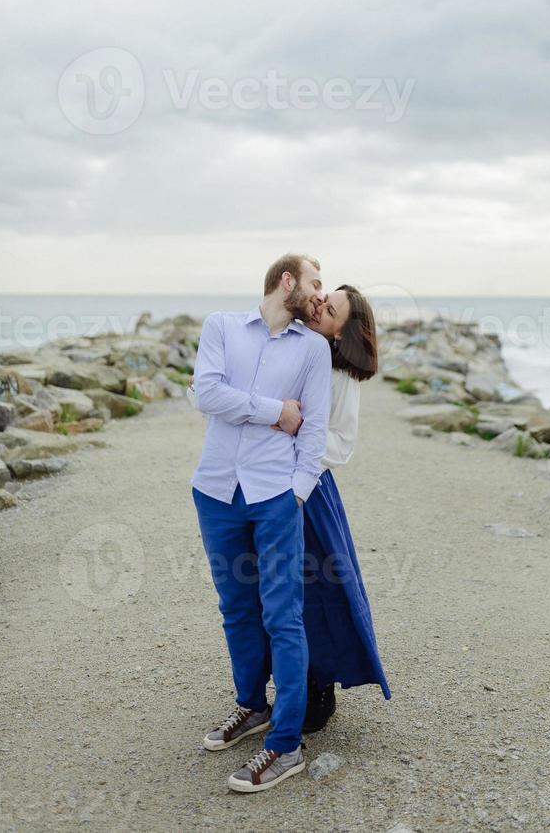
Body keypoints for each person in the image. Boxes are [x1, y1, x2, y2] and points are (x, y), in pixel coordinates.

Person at [190, 253, 332, 794]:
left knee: (283, 615)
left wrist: (296, 493)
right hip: (216, 489)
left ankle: (287, 744)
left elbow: (313, 426)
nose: (320, 295)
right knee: (236, 608)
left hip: (276, 495)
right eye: (315, 283)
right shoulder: (223, 327)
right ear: (287, 280)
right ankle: (252, 707)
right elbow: (207, 394)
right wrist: (276, 410)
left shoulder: (313, 349)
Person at [300, 285, 391, 732]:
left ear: (341, 332)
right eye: (322, 298)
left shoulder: (342, 375)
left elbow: (340, 445)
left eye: (330, 308)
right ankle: (287, 686)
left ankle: (321, 693)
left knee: (319, 593)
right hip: (272, 484)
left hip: (309, 493)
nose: (319, 306)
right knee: (276, 593)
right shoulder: (301, 345)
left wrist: (294, 457)